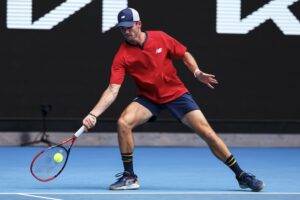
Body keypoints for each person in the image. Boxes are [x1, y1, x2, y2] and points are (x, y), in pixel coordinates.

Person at [82, 7, 265, 191]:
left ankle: (241, 175)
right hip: (149, 98)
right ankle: (129, 177)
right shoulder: (122, 54)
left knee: (207, 133)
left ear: (139, 24)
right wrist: (93, 114)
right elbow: (113, 89)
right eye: (122, 28)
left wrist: (197, 72)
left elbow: (184, 54)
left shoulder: (160, 37)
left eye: (129, 27)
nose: (126, 32)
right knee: (123, 122)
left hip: (176, 94)